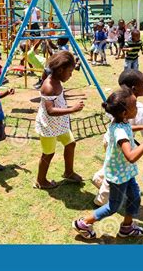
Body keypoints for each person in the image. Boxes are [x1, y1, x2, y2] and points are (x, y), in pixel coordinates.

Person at [73, 87, 143, 239]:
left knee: (135, 196)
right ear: (125, 113)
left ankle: (126, 227)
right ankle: (84, 223)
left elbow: (127, 128)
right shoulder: (119, 131)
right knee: (113, 206)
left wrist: (141, 127)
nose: (137, 108)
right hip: (119, 175)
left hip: (126, 172)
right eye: (135, 107)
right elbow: (131, 157)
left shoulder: (120, 121)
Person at [92, 70, 143, 206]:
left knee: (112, 163)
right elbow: (132, 154)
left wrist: (142, 127)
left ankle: (98, 177)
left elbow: (124, 128)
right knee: (116, 174)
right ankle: (101, 201)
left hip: (110, 140)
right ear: (134, 88)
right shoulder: (140, 109)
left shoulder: (115, 102)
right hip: (122, 145)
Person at [35, 51, 84, 189]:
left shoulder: (56, 80)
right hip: (48, 126)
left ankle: (68, 172)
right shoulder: (49, 87)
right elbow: (50, 111)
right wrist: (72, 109)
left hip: (60, 123)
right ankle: (40, 180)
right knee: (48, 154)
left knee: (70, 144)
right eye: (69, 72)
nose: (71, 75)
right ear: (60, 70)